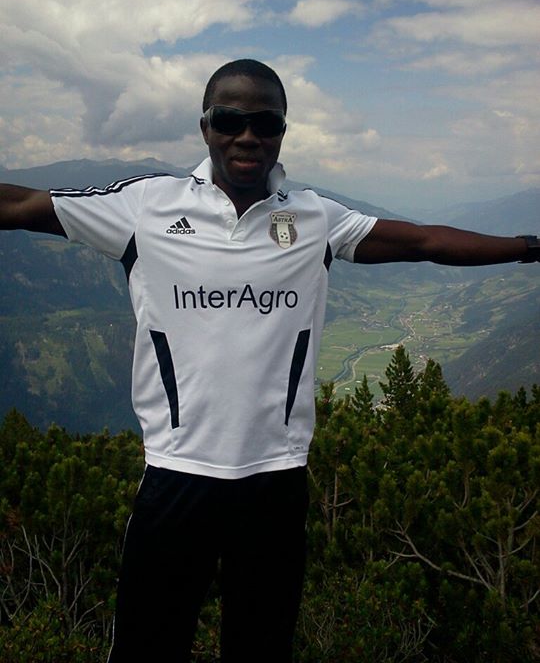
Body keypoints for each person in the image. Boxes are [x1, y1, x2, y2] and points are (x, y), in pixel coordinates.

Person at [0, 59, 538, 662]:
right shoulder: (146, 206)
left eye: (266, 123)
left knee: (260, 649)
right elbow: (22, 207)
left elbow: (424, 242)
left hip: (276, 482)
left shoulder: (314, 218)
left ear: (283, 130)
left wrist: (530, 247)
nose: (247, 136)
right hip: (177, 473)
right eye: (230, 120)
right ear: (205, 127)